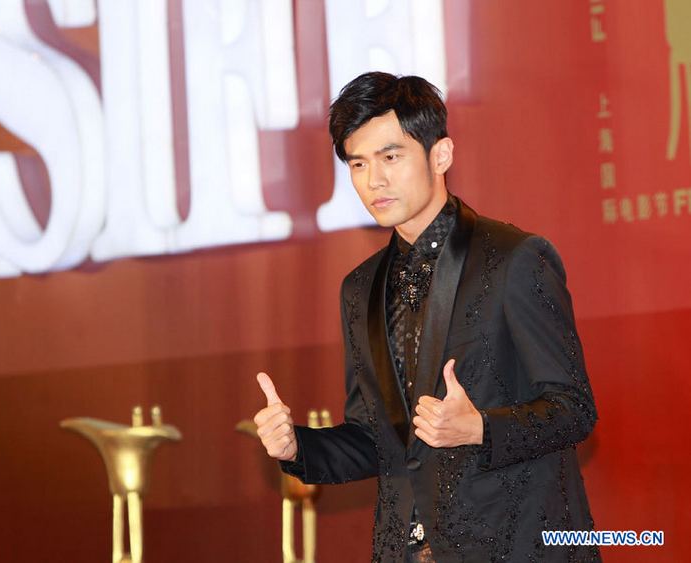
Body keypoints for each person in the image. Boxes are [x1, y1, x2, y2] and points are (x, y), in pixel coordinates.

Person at [252, 72, 600, 563]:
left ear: (441, 155)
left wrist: (480, 427)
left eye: (391, 157)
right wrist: (296, 448)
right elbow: (376, 439)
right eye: (358, 164)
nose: (375, 180)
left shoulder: (514, 258)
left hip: (516, 546)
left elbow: (574, 410)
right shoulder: (359, 288)